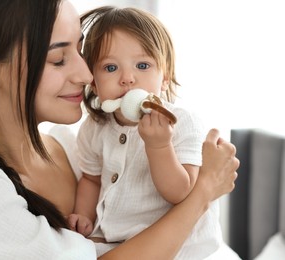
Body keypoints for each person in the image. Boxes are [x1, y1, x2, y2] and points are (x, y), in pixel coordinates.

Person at [0, 0, 239, 259]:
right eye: (58, 59)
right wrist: (203, 191)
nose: (87, 76)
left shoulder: (70, 148)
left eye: (79, 50)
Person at [68, 6, 238, 259]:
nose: (128, 78)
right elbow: (91, 179)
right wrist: (84, 215)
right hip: (119, 240)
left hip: (179, 245)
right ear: (94, 81)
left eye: (143, 65)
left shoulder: (181, 123)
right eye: (111, 68)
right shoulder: (95, 128)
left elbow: (181, 192)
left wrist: (159, 146)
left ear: (165, 76)